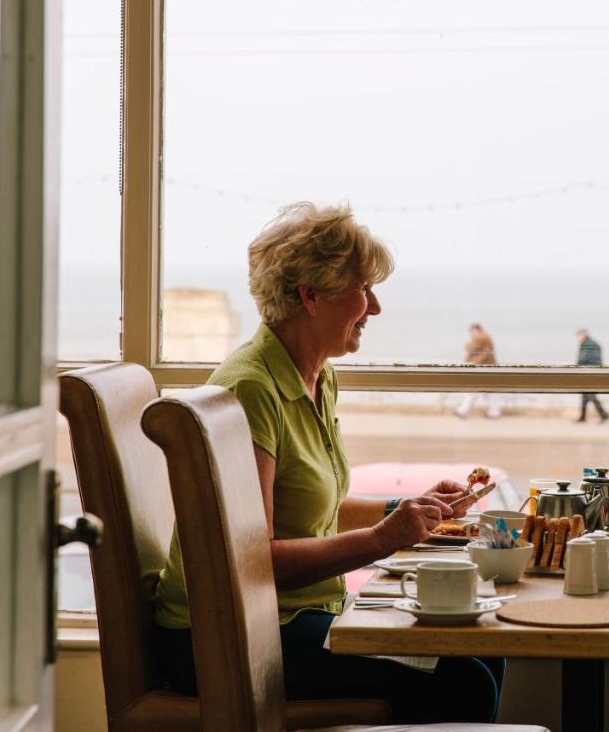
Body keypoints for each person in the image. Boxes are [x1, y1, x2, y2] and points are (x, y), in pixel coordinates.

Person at [152, 202, 504, 723]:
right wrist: (385, 538)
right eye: (363, 289)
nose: (375, 308)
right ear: (310, 296)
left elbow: (317, 508)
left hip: (296, 617)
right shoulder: (249, 388)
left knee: (481, 651)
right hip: (231, 638)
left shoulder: (314, 375)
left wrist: (409, 512)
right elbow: (252, 562)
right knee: (465, 679)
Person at [455, 323, 502, 419]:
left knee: (475, 391)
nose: (472, 334)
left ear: (477, 330)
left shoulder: (482, 337)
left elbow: (469, 348)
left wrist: (471, 355)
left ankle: (463, 411)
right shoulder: (485, 338)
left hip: (484, 370)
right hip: (488, 370)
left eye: (473, 332)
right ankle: (494, 413)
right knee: (489, 393)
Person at [574, 328, 609, 423]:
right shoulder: (592, 343)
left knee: (591, 395)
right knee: (585, 396)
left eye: (578, 336)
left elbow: (583, 360)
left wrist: (577, 368)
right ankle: (583, 417)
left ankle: (604, 416)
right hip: (592, 373)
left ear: (583, 335)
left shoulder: (587, 344)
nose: (577, 338)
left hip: (589, 374)